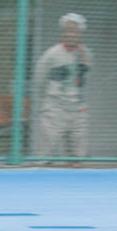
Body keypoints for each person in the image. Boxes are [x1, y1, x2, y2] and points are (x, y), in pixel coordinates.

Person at [33, 13, 92, 158]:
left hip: (78, 109)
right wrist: (50, 101)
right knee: (45, 151)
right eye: (68, 30)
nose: (71, 34)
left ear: (80, 33)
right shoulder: (51, 54)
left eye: (75, 31)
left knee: (78, 153)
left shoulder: (87, 54)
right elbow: (39, 79)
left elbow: (86, 78)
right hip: (55, 108)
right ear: (63, 32)